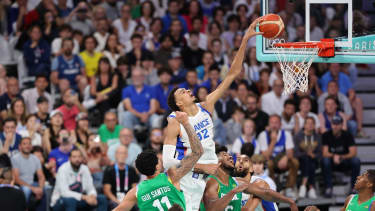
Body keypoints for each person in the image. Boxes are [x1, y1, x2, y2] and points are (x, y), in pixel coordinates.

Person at [163, 19, 262, 211]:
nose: (187, 90)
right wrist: (200, 167)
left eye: (185, 88)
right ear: (179, 103)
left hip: (213, 172)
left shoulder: (207, 105)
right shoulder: (175, 120)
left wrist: (245, 40)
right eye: (181, 91)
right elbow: (168, 163)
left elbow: (233, 73)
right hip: (190, 178)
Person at [113, 111, 204, 211]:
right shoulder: (171, 177)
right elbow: (198, 152)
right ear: (157, 166)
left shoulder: (135, 192)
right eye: (159, 160)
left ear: (139, 170)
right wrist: (186, 123)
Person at [202, 149, 298, 211]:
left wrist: (289, 201)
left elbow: (265, 193)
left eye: (230, 155)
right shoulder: (211, 182)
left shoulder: (237, 182)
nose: (230, 156)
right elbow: (211, 209)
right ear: (217, 162)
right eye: (225, 155)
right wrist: (232, 192)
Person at [258, 115, 299, 198]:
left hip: (282, 160)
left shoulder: (286, 134)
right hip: (270, 161)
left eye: (276, 122)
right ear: (269, 124)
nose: (274, 125)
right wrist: (273, 141)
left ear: (280, 125)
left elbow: (290, 153)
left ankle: (289, 188)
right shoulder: (263, 135)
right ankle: (273, 188)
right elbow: (265, 157)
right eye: (272, 123)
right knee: (268, 163)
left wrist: (286, 158)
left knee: (295, 162)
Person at [321, 115, 361, 197]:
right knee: (325, 160)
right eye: (334, 124)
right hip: (331, 161)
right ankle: (328, 188)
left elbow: (353, 152)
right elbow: (325, 153)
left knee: (356, 160)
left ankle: (353, 188)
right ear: (331, 125)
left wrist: (341, 157)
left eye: (337, 124)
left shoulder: (347, 135)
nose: (335, 126)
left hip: (344, 160)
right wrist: (334, 156)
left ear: (341, 125)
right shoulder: (326, 135)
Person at [305, 170, 375, 211]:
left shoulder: (373, 204)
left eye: (362, 176)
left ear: (369, 184)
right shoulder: (350, 198)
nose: (358, 177)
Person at [12, 137, 46, 211]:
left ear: (32, 146)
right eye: (24, 144)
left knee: (45, 189)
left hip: (32, 183)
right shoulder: (15, 158)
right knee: (26, 190)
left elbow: (41, 176)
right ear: (20, 146)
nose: (27, 146)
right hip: (20, 185)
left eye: (29, 143)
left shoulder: (35, 158)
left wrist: (40, 188)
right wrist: (33, 189)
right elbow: (16, 179)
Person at [294, 117, 321, 199]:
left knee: (310, 161)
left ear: (314, 126)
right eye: (308, 123)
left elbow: (321, 153)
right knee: (307, 159)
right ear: (304, 125)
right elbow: (295, 153)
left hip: (314, 161)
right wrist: (306, 153)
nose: (310, 125)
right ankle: (311, 188)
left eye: (312, 123)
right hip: (301, 162)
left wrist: (314, 156)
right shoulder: (298, 136)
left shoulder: (318, 137)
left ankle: (303, 185)